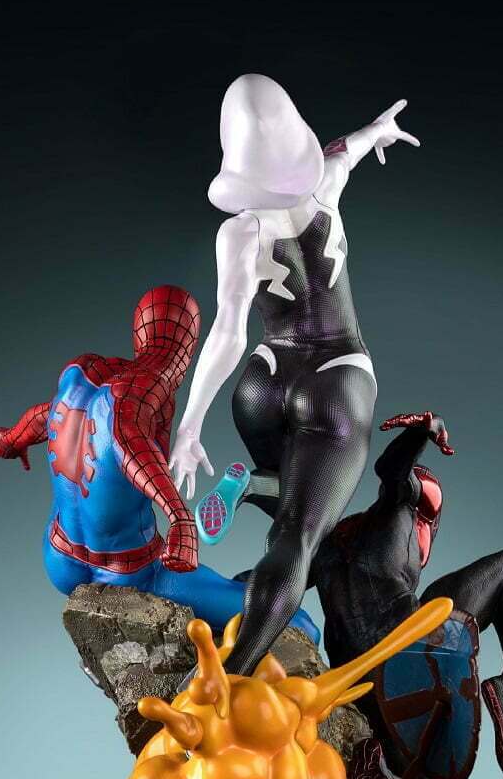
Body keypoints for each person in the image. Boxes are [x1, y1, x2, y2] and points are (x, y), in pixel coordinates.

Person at [168, 74, 419, 674]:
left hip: (264, 382)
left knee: (295, 515)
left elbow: (229, 333)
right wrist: (378, 130)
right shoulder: (324, 185)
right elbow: (346, 152)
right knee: (298, 537)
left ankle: (259, 490)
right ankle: (230, 681)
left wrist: (190, 425)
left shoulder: (239, 232)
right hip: (336, 377)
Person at [244, 411, 503, 779]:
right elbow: (392, 471)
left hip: (364, 692)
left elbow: (271, 588)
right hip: (405, 642)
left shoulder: (322, 553)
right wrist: (421, 433)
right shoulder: (398, 512)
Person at [0, 283, 318, 641]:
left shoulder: (84, 373)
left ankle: (214, 614)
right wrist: (179, 517)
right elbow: (127, 441)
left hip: (58, 557)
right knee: (299, 624)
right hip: (130, 572)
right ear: (189, 346)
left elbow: (52, 413)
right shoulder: (149, 386)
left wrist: (13, 439)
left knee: (222, 600)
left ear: (139, 334)